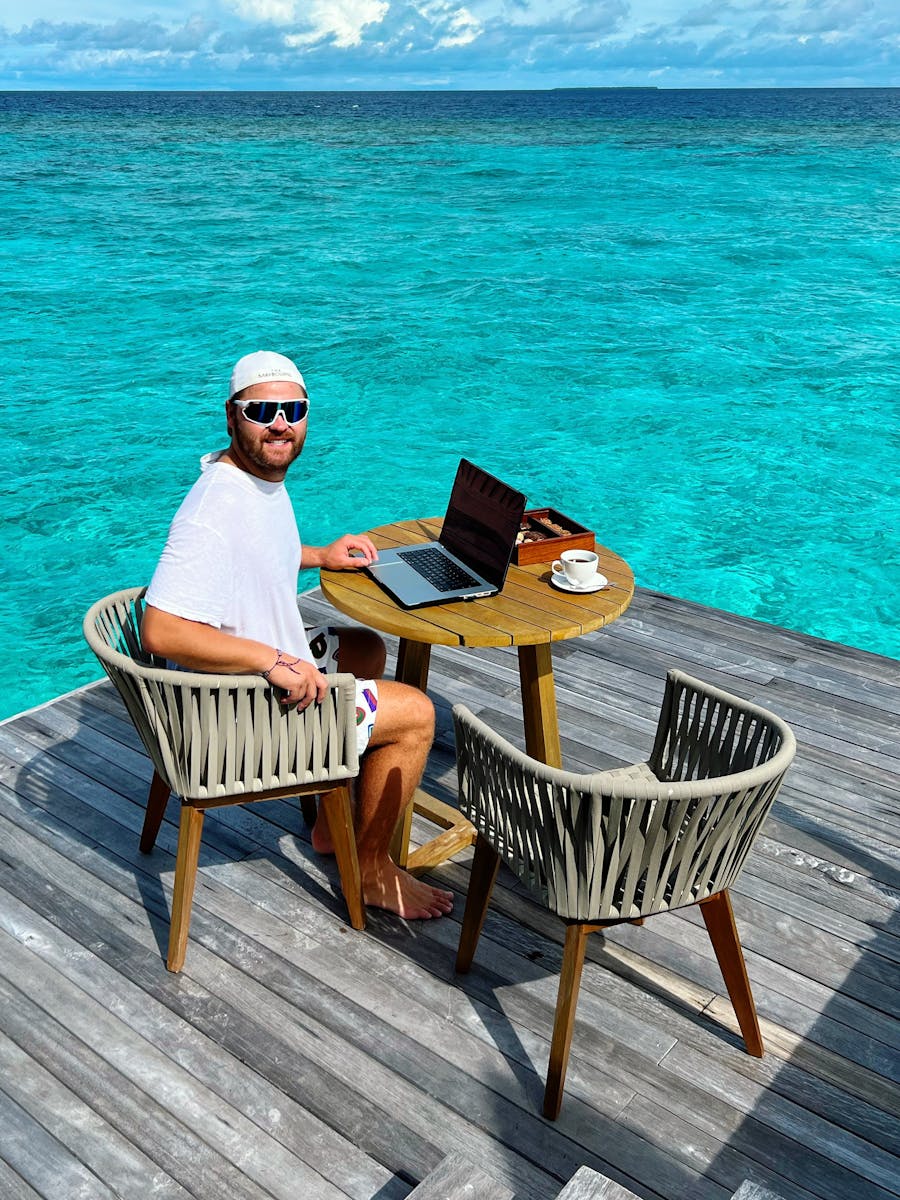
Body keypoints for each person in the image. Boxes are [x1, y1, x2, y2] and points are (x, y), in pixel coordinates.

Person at [142, 350, 453, 921]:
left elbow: (259, 553)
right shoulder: (212, 511)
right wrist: (270, 660)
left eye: (294, 409)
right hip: (239, 713)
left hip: (254, 677)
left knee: (365, 649)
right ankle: (372, 869)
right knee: (416, 714)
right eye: (262, 411)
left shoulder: (252, 479)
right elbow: (160, 630)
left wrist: (319, 555)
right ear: (232, 416)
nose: (280, 424)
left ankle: (330, 825)